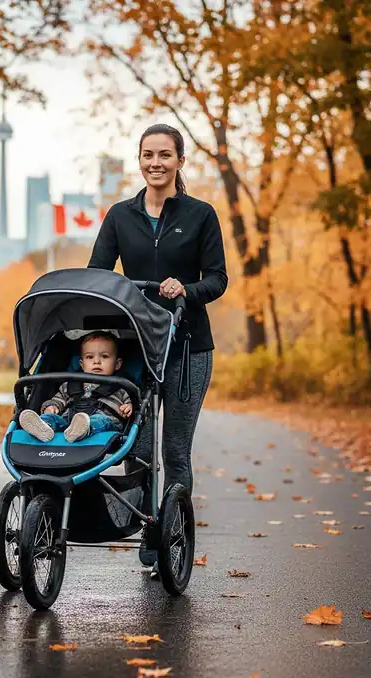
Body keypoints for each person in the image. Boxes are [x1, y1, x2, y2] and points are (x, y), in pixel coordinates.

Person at [88, 123, 228, 571]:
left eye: (165, 155)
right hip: (138, 350)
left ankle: (174, 540)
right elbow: (98, 274)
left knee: (175, 452)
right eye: (148, 154)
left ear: (180, 161)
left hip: (188, 348)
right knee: (140, 449)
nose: (155, 163)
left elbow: (218, 280)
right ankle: (148, 532)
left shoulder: (201, 214)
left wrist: (185, 289)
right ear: (139, 159)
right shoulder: (120, 216)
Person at [19, 331, 133, 443]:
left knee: (99, 420)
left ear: (117, 364)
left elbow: (132, 403)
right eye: (90, 357)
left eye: (104, 356)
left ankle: (84, 430)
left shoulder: (121, 387)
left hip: (104, 423)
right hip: (69, 422)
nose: (97, 361)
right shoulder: (69, 385)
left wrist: (129, 407)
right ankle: (42, 426)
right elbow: (58, 400)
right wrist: (52, 407)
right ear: (82, 364)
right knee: (54, 419)